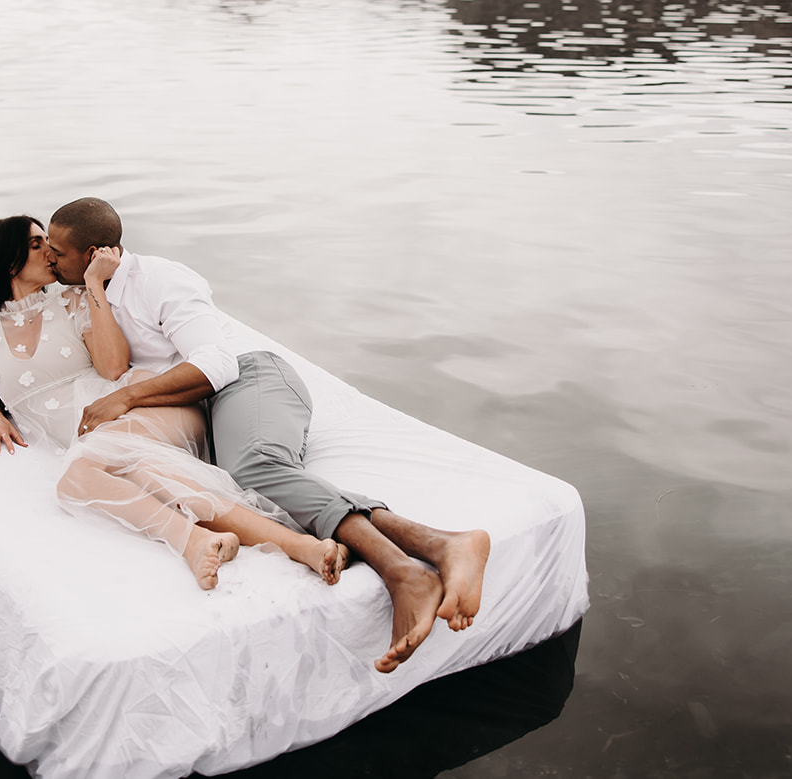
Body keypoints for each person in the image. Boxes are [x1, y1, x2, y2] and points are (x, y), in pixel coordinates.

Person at [46, 198, 493, 674]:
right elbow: (113, 367)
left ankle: (401, 570)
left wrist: (128, 399)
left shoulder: (160, 279)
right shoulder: (92, 290)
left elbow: (218, 365)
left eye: (58, 251)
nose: (50, 259)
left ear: (95, 251)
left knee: (254, 467)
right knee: (253, 484)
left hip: (247, 380)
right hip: (204, 413)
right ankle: (441, 546)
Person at [0, 215, 348, 591]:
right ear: (6, 260)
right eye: (35, 243)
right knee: (139, 470)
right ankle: (296, 547)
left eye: (50, 242)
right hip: (102, 434)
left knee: (76, 477)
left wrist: (94, 286)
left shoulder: (73, 302)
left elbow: (114, 366)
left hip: (142, 404)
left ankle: (193, 542)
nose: (49, 250)